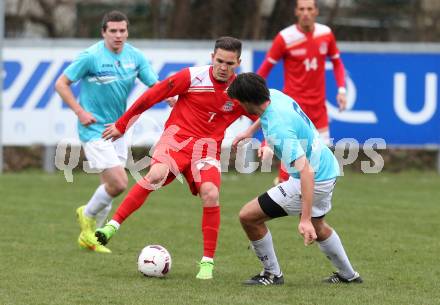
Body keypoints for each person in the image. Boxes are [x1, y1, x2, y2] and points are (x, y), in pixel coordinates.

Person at [95, 37, 257, 279]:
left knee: (211, 193)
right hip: (175, 142)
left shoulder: (240, 92)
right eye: (220, 61)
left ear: (238, 63)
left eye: (229, 63)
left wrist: (261, 141)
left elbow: (264, 115)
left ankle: (207, 263)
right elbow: (152, 96)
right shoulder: (192, 77)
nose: (223, 67)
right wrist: (122, 124)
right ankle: (112, 225)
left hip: (206, 150)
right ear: (212, 57)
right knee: (156, 174)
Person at [228, 73, 362, 285]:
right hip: (328, 167)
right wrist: (249, 132)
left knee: (248, 217)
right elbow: (264, 116)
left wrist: (304, 218)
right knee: (319, 226)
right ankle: (349, 275)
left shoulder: (278, 130)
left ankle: (272, 274)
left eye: (239, 102)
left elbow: (306, 172)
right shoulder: (274, 95)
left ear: (247, 102)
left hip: (311, 179)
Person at [55, 10, 159, 253]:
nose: (118, 35)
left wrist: (171, 98)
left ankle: (88, 237)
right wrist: (80, 112)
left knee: (109, 186)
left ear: (127, 32)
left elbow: (155, 86)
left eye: (122, 30)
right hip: (94, 130)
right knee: (119, 182)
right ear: (104, 32)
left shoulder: (136, 57)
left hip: (119, 129)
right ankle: (87, 214)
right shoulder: (90, 56)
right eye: (113, 31)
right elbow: (61, 84)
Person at [257, 0, 347, 184]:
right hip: (293, 109)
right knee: (291, 163)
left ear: (316, 11)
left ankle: (311, 208)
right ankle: (284, 186)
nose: (305, 13)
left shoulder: (326, 34)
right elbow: (265, 69)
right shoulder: (285, 37)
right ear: (296, 12)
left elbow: (337, 62)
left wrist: (341, 89)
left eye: (309, 9)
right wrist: (251, 95)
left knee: (322, 163)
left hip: (318, 109)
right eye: (302, 9)